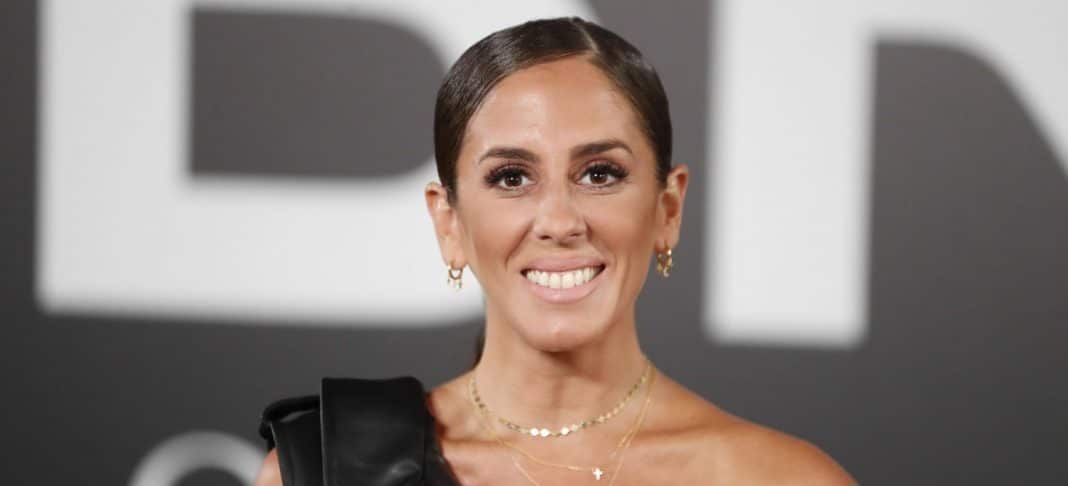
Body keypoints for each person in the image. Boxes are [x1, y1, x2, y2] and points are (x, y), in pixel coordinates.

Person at [254, 17, 856, 485]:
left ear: (667, 209)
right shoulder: (325, 470)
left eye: (599, 174)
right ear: (449, 222)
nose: (560, 222)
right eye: (512, 177)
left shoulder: (783, 478)